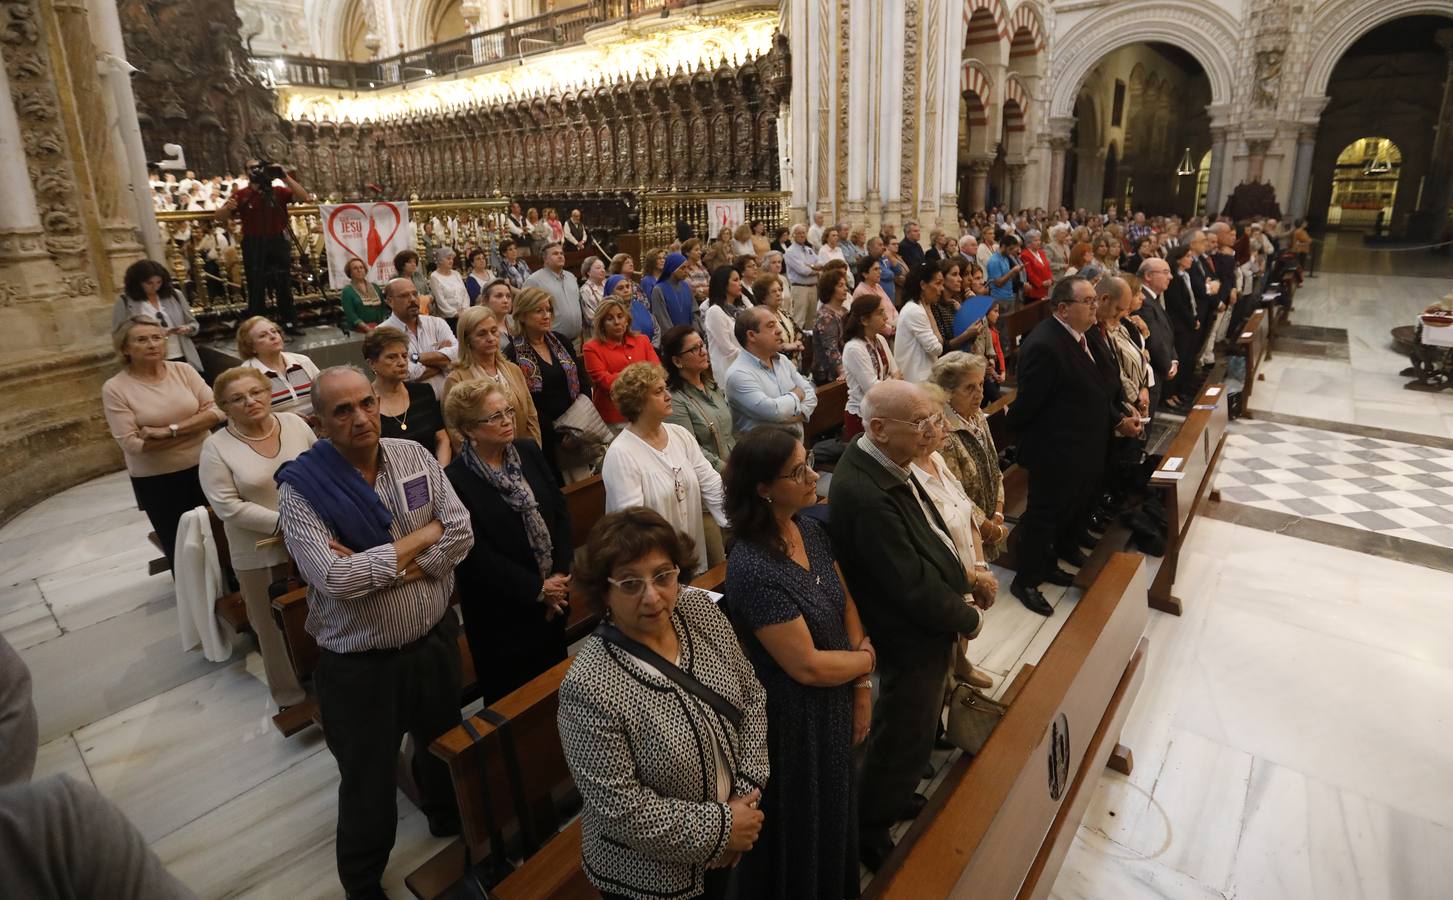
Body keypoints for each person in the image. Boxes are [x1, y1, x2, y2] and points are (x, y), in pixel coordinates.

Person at [276, 366, 473, 898]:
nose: (361, 417)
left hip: (431, 640)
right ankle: (362, 880)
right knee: (367, 780)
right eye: (343, 410)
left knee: (440, 746)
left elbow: (460, 531)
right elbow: (337, 579)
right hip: (361, 665)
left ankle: (445, 821)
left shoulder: (412, 456)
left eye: (366, 404)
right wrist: (423, 538)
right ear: (319, 422)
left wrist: (387, 564)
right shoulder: (303, 492)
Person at [556, 507, 768, 900]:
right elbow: (622, 808)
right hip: (650, 877)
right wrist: (722, 830)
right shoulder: (588, 686)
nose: (653, 596)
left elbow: (751, 695)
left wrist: (745, 795)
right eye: (630, 583)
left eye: (663, 576)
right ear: (604, 591)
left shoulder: (699, 611)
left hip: (734, 825)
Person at [825, 381, 984, 870]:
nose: (930, 432)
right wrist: (966, 616)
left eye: (931, 421)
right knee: (902, 731)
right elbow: (909, 582)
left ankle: (892, 798)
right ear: (877, 428)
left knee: (915, 727)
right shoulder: (867, 492)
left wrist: (962, 575)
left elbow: (928, 533)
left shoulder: (886, 462)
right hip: (905, 629)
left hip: (919, 621)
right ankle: (868, 826)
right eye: (919, 424)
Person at [722, 429, 872, 899]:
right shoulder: (751, 566)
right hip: (795, 720)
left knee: (837, 809)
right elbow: (804, 666)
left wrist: (862, 684)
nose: (814, 475)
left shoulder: (806, 527)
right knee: (806, 824)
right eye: (798, 472)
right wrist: (866, 658)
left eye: (808, 463)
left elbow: (844, 598)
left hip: (837, 694)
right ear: (763, 488)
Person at [1006, 276, 1141, 616]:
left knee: (1069, 509)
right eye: (1089, 301)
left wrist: (1116, 419)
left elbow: (1097, 389)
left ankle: (1050, 561)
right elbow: (1026, 408)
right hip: (1055, 451)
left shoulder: (1084, 336)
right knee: (1043, 518)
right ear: (1063, 309)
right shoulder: (1044, 346)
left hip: (1084, 445)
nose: (1096, 307)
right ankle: (1026, 580)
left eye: (1096, 300)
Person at [444, 380, 570, 704]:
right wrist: (537, 589)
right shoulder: (455, 480)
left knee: (558, 690)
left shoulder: (527, 451)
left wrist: (558, 575)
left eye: (508, 411)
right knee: (514, 703)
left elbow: (558, 509)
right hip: (501, 615)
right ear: (469, 429)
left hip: (554, 600)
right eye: (495, 416)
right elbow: (475, 553)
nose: (507, 421)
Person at [199, 367, 315, 710]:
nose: (250, 401)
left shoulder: (295, 424)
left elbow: (322, 467)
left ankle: (328, 679)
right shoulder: (215, 447)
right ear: (224, 407)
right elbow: (227, 506)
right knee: (271, 628)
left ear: (269, 392)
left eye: (256, 392)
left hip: (314, 542)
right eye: (238, 399)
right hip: (260, 551)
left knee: (322, 612)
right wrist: (288, 523)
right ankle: (291, 696)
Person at [102, 316, 224, 564]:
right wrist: (196, 428)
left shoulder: (184, 371)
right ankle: (197, 600)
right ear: (125, 348)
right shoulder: (115, 388)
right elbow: (133, 444)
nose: (152, 344)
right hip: (160, 480)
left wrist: (170, 431)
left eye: (157, 337)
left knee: (222, 536)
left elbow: (218, 410)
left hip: (206, 465)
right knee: (182, 548)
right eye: (142, 339)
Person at [909, 384, 999, 691]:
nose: (947, 425)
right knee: (946, 634)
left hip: (967, 570)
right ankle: (945, 685)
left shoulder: (936, 461)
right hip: (945, 577)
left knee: (963, 629)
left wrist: (981, 567)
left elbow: (965, 512)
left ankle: (960, 665)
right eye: (937, 419)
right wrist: (973, 577)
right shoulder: (907, 477)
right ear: (914, 429)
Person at [602, 363, 728, 571]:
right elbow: (632, 524)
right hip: (653, 565)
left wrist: (737, 523)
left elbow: (711, 483)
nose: (669, 396)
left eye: (666, 388)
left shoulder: (680, 435)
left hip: (692, 555)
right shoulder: (621, 454)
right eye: (659, 391)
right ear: (638, 402)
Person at [215, 159, 309, 334]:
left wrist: (284, 176)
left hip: (277, 240)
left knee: (283, 283)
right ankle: (257, 329)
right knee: (256, 285)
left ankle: (289, 323)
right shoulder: (242, 194)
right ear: (246, 172)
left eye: (259, 168)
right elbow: (219, 217)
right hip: (253, 242)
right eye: (252, 168)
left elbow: (304, 197)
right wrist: (227, 208)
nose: (256, 171)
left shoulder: (277, 191)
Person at [506, 286, 591, 476]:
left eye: (548, 309)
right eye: (539, 311)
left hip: (578, 428)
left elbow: (583, 381)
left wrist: (579, 424)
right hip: (546, 436)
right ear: (521, 316)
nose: (546, 315)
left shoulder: (561, 341)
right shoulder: (513, 354)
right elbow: (526, 403)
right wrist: (559, 434)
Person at [930, 352, 1008, 562]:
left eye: (981, 384)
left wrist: (999, 514)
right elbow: (955, 497)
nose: (980, 394)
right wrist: (988, 527)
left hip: (990, 520)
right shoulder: (944, 434)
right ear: (947, 392)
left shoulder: (977, 416)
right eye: (970, 388)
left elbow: (994, 467)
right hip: (964, 532)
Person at [443, 305, 541, 445]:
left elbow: (531, 416)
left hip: (523, 454)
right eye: (482, 334)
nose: (491, 338)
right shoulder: (456, 379)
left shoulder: (514, 370)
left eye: (494, 331)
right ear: (467, 340)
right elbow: (455, 431)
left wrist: (533, 451)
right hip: (485, 459)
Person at [725, 307, 818, 439]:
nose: (779, 330)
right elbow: (773, 411)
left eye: (777, 324)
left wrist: (791, 416)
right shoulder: (739, 374)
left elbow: (811, 394)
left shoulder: (782, 361)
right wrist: (797, 394)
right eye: (770, 326)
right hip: (763, 455)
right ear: (751, 335)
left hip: (795, 449)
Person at [363, 327, 451, 467]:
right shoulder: (364, 404)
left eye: (404, 356)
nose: (402, 362)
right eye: (392, 357)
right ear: (372, 363)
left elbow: (442, 438)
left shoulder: (424, 392)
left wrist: (441, 472)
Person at [662, 325, 736, 473]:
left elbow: (731, 433)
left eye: (702, 345)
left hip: (736, 465)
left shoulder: (712, 386)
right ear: (677, 361)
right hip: (711, 476)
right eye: (694, 349)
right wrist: (728, 471)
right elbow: (691, 450)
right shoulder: (675, 400)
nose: (703, 352)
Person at [583, 298, 661, 428]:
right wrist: (643, 374)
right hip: (615, 418)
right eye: (610, 319)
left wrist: (622, 376)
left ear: (627, 319)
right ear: (601, 324)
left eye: (620, 316)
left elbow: (657, 371)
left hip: (647, 410)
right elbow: (607, 382)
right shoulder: (591, 348)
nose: (617, 322)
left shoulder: (643, 340)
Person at [111, 259, 202, 370]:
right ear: (137, 283)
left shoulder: (175, 295)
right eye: (149, 283)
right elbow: (118, 334)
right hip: (148, 359)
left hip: (181, 354)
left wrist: (187, 328)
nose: (155, 287)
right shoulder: (125, 301)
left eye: (159, 282)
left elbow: (193, 323)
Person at [380, 276, 457, 400]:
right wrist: (441, 360)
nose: (413, 299)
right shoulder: (383, 333)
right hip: (413, 405)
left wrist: (415, 357)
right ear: (390, 301)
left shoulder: (436, 323)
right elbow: (406, 373)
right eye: (404, 296)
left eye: (415, 294)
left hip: (449, 399)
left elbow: (458, 356)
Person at [237, 315, 322, 419]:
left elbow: (325, 394)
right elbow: (245, 416)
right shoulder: (246, 374)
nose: (273, 336)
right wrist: (282, 419)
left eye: (274, 331)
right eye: (263, 335)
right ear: (251, 347)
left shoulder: (302, 361)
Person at [841, 293, 899, 439]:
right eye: (880, 313)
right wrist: (893, 380)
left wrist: (891, 380)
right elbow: (872, 389)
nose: (886, 317)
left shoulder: (879, 339)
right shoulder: (854, 348)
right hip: (861, 416)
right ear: (864, 320)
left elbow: (896, 372)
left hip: (882, 411)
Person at [1134, 258, 1177, 419]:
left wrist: (1174, 360)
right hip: (1151, 371)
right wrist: (1167, 364)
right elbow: (1154, 338)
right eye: (1165, 272)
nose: (1170, 276)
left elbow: (1166, 331)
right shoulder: (1143, 301)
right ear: (1148, 276)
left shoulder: (1152, 297)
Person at [893, 263, 946, 383]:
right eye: (938, 283)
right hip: (918, 381)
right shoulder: (914, 311)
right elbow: (936, 348)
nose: (942, 288)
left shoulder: (920, 307)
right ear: (922, 285)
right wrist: (930, 315)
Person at [1163, 244, 1201, 409]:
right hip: (1179, 325)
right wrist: (1192, 321)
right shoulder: (1174, 279)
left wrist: (1195, 317)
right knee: (1177, 360)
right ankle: (1169, 394)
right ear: (1179, 259)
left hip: (1188, 322)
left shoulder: (1185, 275)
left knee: (1187, 359)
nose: (1191, 259)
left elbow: (1190, 300)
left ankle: (1180, 390)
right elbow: (1177, 305)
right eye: (1188, 256)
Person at [523, 243, 584, 342]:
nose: (560, 256)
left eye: (562, 253)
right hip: (552, 341)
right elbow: (525, 311)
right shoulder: (534, 280)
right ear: (545, 259)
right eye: (555, 254)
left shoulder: (571, 277)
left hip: (576, 340)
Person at [701, 265, 751, 379]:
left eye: (740, 280)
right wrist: (754, 357)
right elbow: (727, 349)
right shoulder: (715, 312)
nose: (740, 284)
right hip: (728, 371)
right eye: (735, 280)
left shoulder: (739, 309)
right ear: (723, 284)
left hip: (746, 367)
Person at [812, 267, 850, 384]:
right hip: (828, 374)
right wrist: (842, 371)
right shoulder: (826, 317)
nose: (845, 289)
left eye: (845, 285)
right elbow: (831, 348)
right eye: (840, 285)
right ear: (830, 289)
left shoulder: (844, 311)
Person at [650, 251, 697, 334]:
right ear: (672, 269)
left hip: (690, 337)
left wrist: (694, 332)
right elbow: (662, 319)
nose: (686, 271)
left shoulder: (686, 286)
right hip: (672, 340)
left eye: (687, 267)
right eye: (682, 268)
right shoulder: (659, 290)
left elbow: (694, 312)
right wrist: (676, 338)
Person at [783, 224, 820, 330]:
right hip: (800, 288)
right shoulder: (790, 252)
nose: (802, 235)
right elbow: (803, 270)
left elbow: (821, 263)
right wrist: (814, 269)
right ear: (793, 235)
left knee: (812, 320)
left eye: (803, 233)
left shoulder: (809, 249)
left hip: (813, 286)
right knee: (799, 319)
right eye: (799, 233)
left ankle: (810, 344)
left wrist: (811, 266)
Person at [424, 246, 468, 330]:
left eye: (452, 258)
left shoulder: (456, 274)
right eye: (448, 258)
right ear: (440, 260)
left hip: (464, 314)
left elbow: (465, 293)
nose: (451, 261)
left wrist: (465, 310)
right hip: (448, 318)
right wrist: (456, 314)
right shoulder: (434, 277)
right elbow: (440, 300)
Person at [853, 255, 896, 339]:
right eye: (875, 269)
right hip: (879, 334)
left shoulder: (878, 287)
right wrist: (891, 330)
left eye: (879, 268)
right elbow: (871, 320)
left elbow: (891, 307)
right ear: (865, 274)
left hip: (892, 328)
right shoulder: (861, 291)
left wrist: (898, 323)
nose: (880, 271)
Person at [340, 258, 389, 332]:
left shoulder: (375, 287)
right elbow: (350, 313)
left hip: (379, 327)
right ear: (350, 273)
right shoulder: (347, 291)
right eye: (355, 268)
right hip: (359, 330)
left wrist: (383, 324)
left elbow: (383, 307)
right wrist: (366, 328)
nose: (359, 270)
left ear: (365, 270)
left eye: (361, 267)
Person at [986, 232, 1021, 306]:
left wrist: (1016, 271)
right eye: (1010, 249)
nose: (1011, 251)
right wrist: (1012, 271)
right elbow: (998, 283)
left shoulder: (1005, 257)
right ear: (1004, 246)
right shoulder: (994, 261)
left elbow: (1007, 278)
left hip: (1009, 296)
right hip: (999, 298)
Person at [1020, 230, 1054, 303]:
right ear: (1028, 243)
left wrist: (1050, 279)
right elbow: (1030, 274)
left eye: (1039, 240)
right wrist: (1042, 283)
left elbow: (1048, 268)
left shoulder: (1041, 252)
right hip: (1034, 291)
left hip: (1046, 289)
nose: (1039, 242)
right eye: (1035, 240)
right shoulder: (1025, 255)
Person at [579, 255, 609, 338]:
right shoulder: (585, 291)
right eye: (598, 268)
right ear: (588, 272)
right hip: (599, 335)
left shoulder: (607, 283)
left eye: (603, 267)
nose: (603, 270)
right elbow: (591, 319)